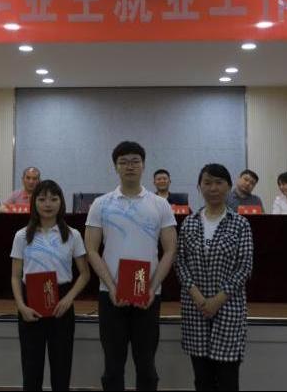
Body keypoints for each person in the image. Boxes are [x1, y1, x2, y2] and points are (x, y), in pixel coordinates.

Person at [85, 141, 178, 391]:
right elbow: (91, 249)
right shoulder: (101, 204)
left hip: (148, 296)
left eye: (135, 161)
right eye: (123, 162)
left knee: (146, 366)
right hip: (110, 295)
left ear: (143, 165)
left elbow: (170, 250)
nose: (130, 166)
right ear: (115, 167)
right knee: (113, 367)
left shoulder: (160, 204)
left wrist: (152, 288)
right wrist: (111, 287)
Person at [175, 163, 254, 391]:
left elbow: (244, 267)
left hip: (228, 308)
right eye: (207, 183)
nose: (213, 188)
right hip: (195, 308)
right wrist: (199, 298)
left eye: (219, 183)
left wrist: (217, 300)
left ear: (228, 186)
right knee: (202, 380)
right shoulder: (189, 223)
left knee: (228, 380)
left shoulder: (240, 224)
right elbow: (180, 263)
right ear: (199, 187)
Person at [11, 180, 90, 391]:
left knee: (61, 369)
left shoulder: (73, 235)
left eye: (53, 199)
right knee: (31, 370)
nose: (48, 204)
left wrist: (68, 298)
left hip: (62, 303)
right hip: (31, 304)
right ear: (34, 202)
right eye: (42, 199)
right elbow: (15, 276)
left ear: (61, 202)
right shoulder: (21, 236)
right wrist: (21, 306)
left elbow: (84, 274)